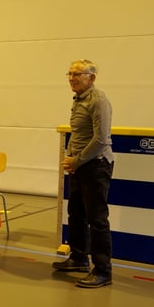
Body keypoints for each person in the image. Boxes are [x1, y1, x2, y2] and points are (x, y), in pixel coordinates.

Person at [52, 59, 115, 288]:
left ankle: (103, 271)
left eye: (77, 74)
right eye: (70, 74)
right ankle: (79, 258)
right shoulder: (79, 99)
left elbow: (100, 140)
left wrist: (76, 160)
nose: (72, 78)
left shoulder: (98, 100)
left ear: (92, 77)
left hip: (95, 165)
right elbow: (79, 135)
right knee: (76, 213)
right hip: (80, 166)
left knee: (97, 219)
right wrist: (72, 159)